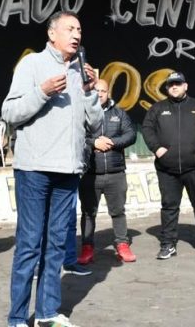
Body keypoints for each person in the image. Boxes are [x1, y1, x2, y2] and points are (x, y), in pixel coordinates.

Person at [2, 10, 102, 327]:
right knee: (30, 244)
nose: (76, 34)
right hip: (34, 169)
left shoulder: (80, 73)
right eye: (70, 28)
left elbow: (95, 124)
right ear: (52, 34)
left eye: (80, 29)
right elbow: (10, 112)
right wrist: (42, 91)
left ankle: (47, 312)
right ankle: (18, 317)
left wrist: (90, 94)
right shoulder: (31, 64)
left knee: (58, 244)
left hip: (69, 171)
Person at [142, 71, 195, 260]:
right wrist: (157, 149)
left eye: (178, 83)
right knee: (169, 207)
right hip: (167, 169)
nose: (174, 86)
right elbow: (147, 129)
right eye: (171, 84)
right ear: (167, 88)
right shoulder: (157, 108)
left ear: (185, 86)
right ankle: (168, 244)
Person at [76, 79, 137, 265]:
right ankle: (87, 247)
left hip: (115, 173)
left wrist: (111, 142)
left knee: (118, 212)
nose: (100, 94)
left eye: (103, 91)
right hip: (89, 174)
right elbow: (76, 136)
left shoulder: (119, 113)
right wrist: (93, 143)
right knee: (88, 213)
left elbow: (131, 135)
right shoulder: (82, 113)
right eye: (96, 90)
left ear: (108, 93)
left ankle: (122, 245)